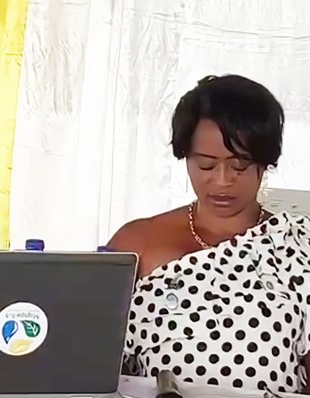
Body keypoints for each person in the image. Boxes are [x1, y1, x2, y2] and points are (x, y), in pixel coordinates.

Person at [107, 74, 310, 394]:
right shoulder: (136, 243)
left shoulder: (297, 245)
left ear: (265, 161)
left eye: (240, 165)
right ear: (185, 156)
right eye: (205, 165)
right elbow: (86, 358)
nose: (223, 181)